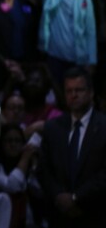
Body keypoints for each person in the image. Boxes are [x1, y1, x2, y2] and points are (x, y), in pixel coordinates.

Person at [37, 66, 106, 228]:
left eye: (79, 90)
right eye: (69, 91)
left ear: (91, 93)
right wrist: (59, 196)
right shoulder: (52, 128)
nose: (73, 95)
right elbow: (44, 169)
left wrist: (76, 198)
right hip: (59, 216)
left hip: (96, 214)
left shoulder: (104, 126)